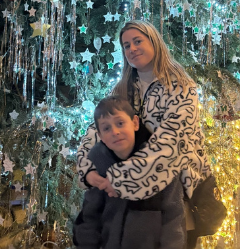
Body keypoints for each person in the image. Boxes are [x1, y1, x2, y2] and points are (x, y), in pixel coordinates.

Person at [76, 20, 213, 249]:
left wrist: (119, 178)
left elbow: (171, 142)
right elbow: (97, 128)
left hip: (177, 190)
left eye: (137, 41)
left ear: (154, 42)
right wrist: (87, 169)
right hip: (130, 196)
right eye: (126, 45)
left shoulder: (181, 87)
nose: (132, 49)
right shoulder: (123, 89)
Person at [72, 96, 186, 249]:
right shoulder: (100, 166)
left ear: (135, 123)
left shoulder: (158, 164)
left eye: (120, 123)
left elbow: (173, 218)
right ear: (100, 136)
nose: (115, 132)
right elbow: (90, 218)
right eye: (106, 128)